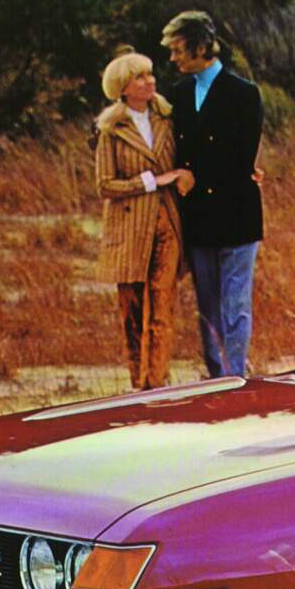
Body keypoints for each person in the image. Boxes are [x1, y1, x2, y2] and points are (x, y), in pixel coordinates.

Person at [161, 10, 264, 378]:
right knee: (207, 305)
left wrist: (194, 175)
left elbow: (242, 155)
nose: (173, 58)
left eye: (178, 50)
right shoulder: (179, 94)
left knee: (235, 305)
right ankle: (216, 375)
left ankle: (234, 377)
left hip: (236, 216)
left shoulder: (244, 94)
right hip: (199, 218)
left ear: (200, 47)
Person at [94, 49, 195, 391]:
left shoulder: (167, 118)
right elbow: (105, 185)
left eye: (150, 74)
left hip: (167, 223)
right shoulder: (111, 129)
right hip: (128, 229)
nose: (150, 81)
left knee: (162, 306)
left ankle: (157, 382)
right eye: (139, 77)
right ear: (123, 87)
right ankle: (138, 384)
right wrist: (152, 181)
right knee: (133, 311)